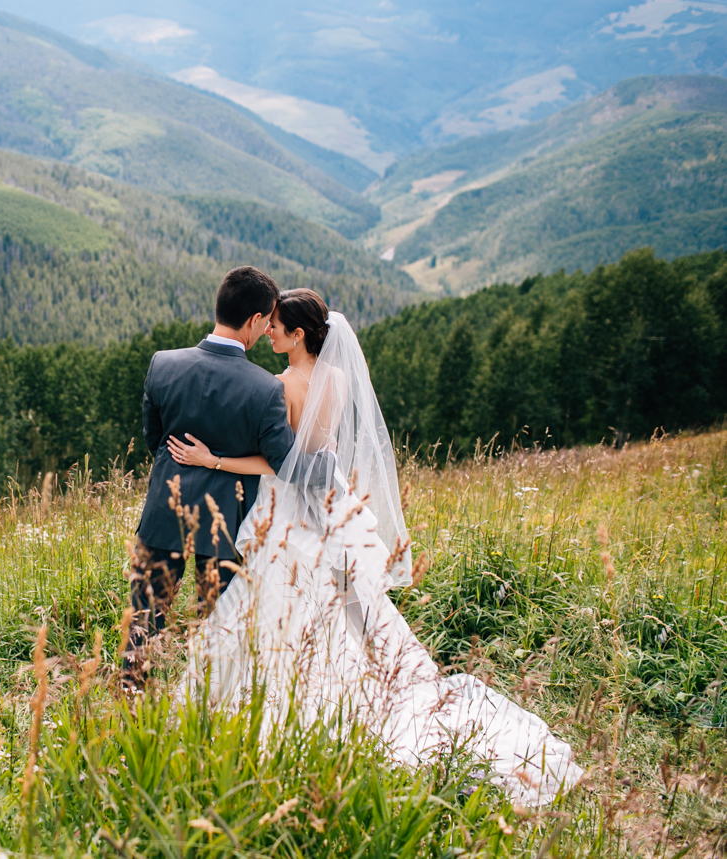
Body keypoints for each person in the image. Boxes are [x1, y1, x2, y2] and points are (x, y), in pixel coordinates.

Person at [169, 288, 584, 806]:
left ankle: (283, 695)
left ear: (298, 335)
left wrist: (212, 461)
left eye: (277, 326)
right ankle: (352, 675)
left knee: (279, 600)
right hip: (335, 498)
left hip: (294, 510)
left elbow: (282, 464)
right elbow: (324, 450)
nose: (269, 331)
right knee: (341, 603)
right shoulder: (338, 377)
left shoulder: (281, 386)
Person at [125, 266, 295, 690]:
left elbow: (155, 439)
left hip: (165, 514)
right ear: (255, 320)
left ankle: (128, 706)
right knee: (219, 635)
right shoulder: (265, 389)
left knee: (142, 628)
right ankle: (206, 717)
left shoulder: (163, 364)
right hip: (226, 529)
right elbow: (284, 463)